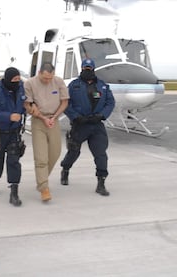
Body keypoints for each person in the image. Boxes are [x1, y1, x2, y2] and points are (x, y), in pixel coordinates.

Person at [59, 58, 115, 196]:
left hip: (96, 125)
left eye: (90, 69)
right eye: (85, 69)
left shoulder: (102, 86)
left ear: (94, 69)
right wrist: (75, 116)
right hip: (80, 125)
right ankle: (65, 169)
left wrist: (102, 115)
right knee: (73, 151)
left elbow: (110, 102)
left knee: (101, 154)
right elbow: (66, 103)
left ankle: (101, 183)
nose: (87, 71)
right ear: (82, 69)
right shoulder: (74, 85)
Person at [24, 62, 69, 202]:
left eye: (50, 78)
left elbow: (64, 102)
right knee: (41, 157)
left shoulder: (59, 81)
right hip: (38, 120)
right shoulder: (30, 83)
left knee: (55, 152)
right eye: (45, 78)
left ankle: (41, 177)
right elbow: (27, 104)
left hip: (53, 120)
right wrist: (42, 117)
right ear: (39, 73)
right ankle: (44, 187)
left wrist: (54, 117)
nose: (48, 81)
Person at [0, 67, 26, 206]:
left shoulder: (21, 87)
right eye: (14, 80)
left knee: (14, 161)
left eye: (18, 79)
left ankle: (14, 192)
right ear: (7, 79)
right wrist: (9, 116)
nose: (17, 82)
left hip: (14, 132)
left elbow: (24, 102)